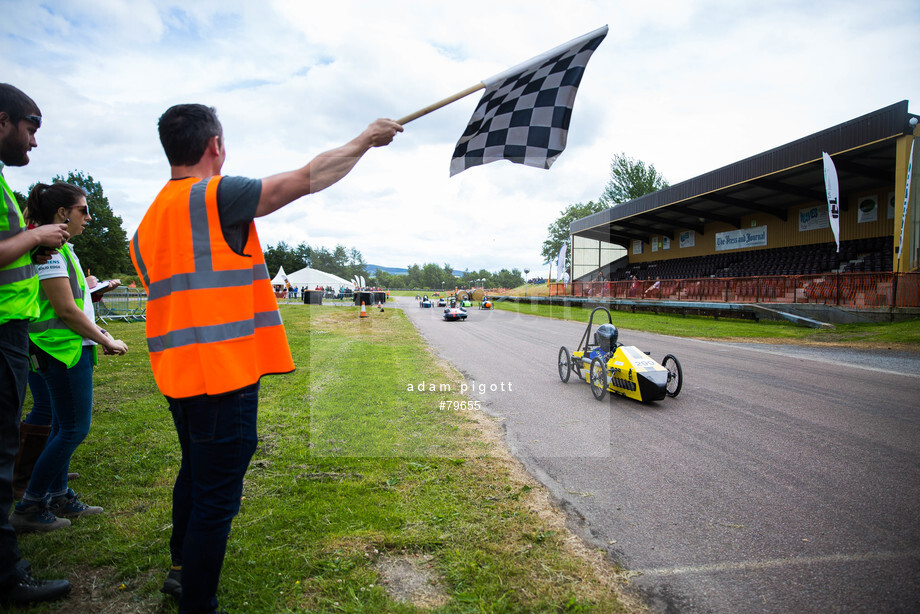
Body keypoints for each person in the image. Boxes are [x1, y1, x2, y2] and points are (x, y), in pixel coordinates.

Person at [129, 103, 401, 614]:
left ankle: (180, 570)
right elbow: (307, 178)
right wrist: (365, 139)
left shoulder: (147, 224)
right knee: (216, 500)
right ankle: (197, 603)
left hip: (177, 375)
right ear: (215, 146)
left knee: (195, 472)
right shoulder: (215, 195)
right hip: (223, 375)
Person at [10, 182, 128, 533]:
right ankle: (30, 504)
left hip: (63, 348)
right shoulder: (51, 252)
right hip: (60, 349)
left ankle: (58, 494)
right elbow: (65, 309)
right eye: (83, 210)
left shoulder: (62, 250)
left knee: (62, 426)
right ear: (63, 213)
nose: (89, 217)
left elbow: (73, 302)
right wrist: (106, 337)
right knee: (74, 429)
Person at [0, 83, 72, 605]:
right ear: (2, 121)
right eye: (30, 128)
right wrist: (35, 237)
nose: (34, 142)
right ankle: (7, 573)